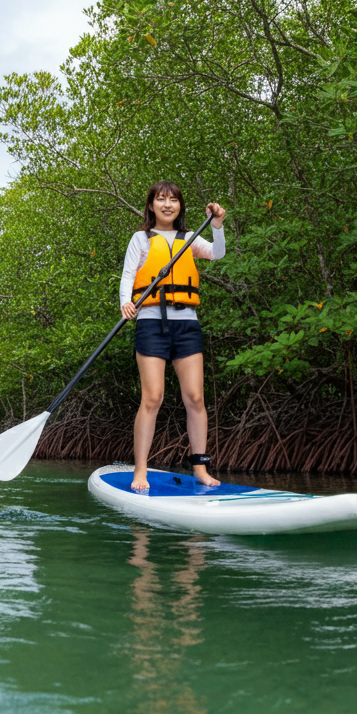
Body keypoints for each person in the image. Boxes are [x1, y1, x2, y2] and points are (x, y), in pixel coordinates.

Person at [119, 181, 226, 493]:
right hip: (151, 323)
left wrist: (217, 225)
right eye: (160, 199)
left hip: (187, 324)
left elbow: (217, 254)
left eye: (173, 200)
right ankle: (141, 469)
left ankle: (201, 468)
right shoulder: (140, 239)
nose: (167, 204)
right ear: (151, 205)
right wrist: (126, 302)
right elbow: (128, 276)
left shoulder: (190, 238)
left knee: (195, 398)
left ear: (180, 206)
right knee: (153, 397)